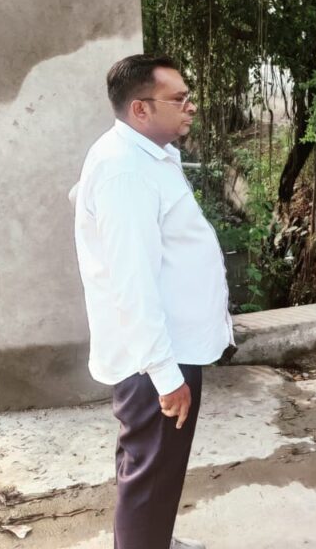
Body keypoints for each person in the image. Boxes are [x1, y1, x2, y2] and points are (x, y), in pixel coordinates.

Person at [72, 55, 233, 549]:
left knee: (153, 468)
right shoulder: (125, 170)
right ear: (140, 108)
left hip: (168, 345)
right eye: (178, 98)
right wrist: (166, 374)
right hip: (157, 357)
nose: (191, 106)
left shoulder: (143, 156)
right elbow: (132, 283)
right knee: (150, 475)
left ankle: (152, 541)